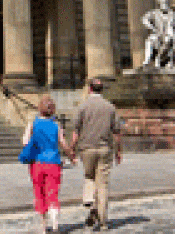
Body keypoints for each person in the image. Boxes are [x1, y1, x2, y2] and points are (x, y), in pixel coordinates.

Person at [69, 79, 122, 231]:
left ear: (90, 89)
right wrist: (119, 151)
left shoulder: (82, 107)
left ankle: (91, 203)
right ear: (101, 90)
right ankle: (103, 222)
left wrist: (72, 149)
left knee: (89, 177)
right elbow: (117, 132)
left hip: (87, 149)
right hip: (105, 149)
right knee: (103, 184)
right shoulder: (110, 107)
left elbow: (76, 132)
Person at [22, 95, 76, 233]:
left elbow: (25, 142)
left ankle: (43, 227)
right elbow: (63, 143)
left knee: (39, 193)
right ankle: (55, 226)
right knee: (53, 193)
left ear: (39, 108)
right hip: (53, 163)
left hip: (37, 163)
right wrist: (72, 156)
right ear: (52, 110)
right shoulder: (56, 125)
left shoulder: (33, 124)